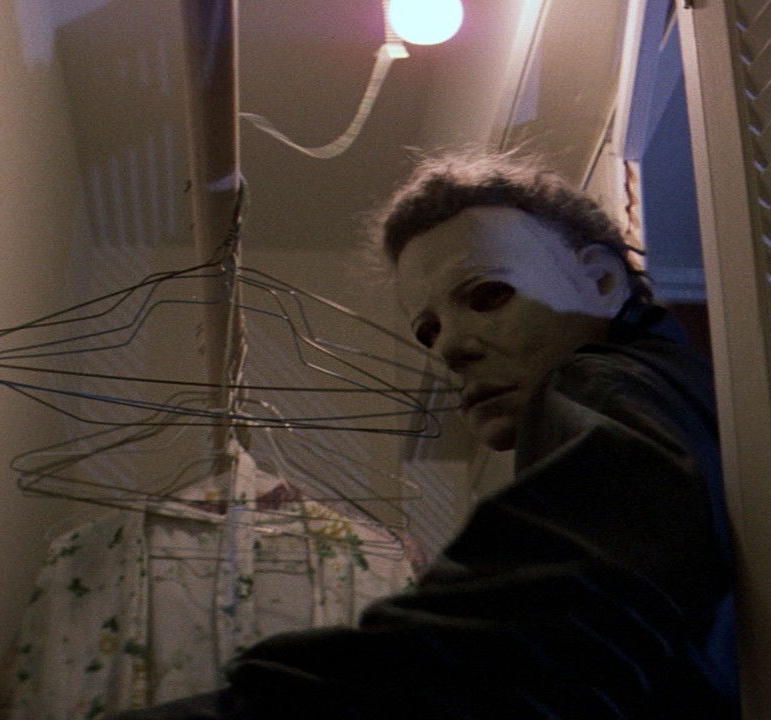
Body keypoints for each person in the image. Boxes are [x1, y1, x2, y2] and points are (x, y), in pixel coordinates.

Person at [113, 151, 738, 719]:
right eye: (428, 331)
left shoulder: (602, 380)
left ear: (601, 283)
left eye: (489, 295)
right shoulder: (674, 393)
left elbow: (522, 636)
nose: (450, 350)